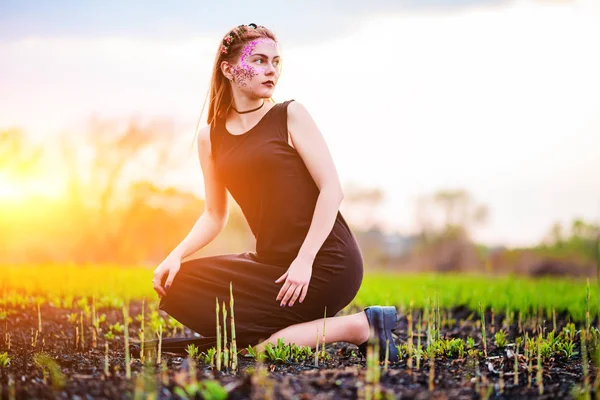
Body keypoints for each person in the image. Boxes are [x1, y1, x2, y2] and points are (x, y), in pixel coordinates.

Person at [132, 23, 399, 363]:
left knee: (262, 351)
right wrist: (176, 254)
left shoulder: (289, 115)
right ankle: (284, 329)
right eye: (258, 60)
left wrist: (305, 260)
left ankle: (364, 325)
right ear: (228, 69)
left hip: (325, 261)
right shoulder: (209, 138)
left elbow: (332, 190)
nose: (271, 70)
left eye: (276, 61)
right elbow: (215, 215)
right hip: (271, 263)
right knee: (179, 284)